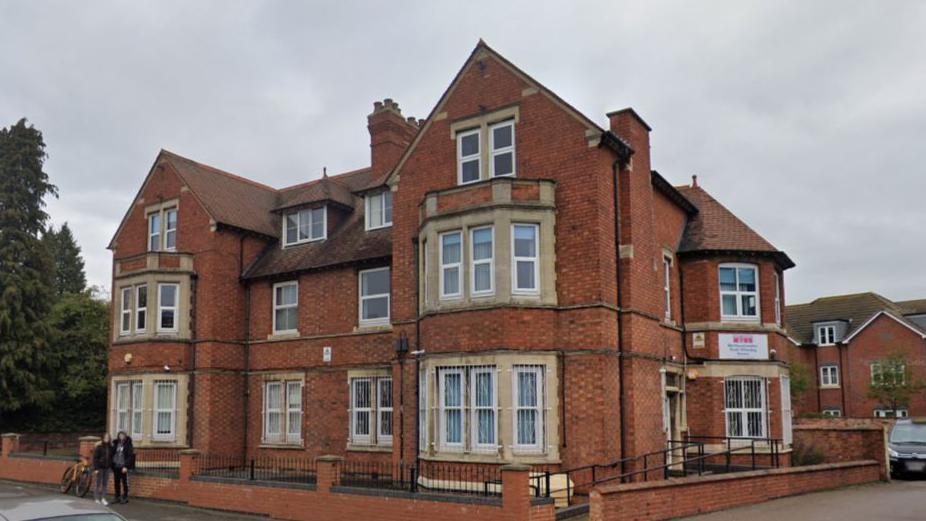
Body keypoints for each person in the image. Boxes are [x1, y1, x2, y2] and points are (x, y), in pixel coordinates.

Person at [111, 431, 135, 504]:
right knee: (116, 482)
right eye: (120, 435)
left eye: (122, 435)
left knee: (124, 482)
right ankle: (117, 496)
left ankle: (125, 497)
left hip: (123, 466)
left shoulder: (128, 444)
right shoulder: (116, 443)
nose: (121, 436)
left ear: (125, 436)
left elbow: (129, 456)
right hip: (116, 465)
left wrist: (126, 466)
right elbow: (112, 452)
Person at [91, 433, 112, 505]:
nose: (107, 438)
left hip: (107, 468)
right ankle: (96, 498)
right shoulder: (99, 447)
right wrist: (96, 468)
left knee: (105, 484)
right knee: (98, 483)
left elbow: (111, 457)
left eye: (108, 437)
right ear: (103, 438)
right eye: (105, 437)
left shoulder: (110, 447)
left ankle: (103, 498)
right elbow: (95, 458)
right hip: (100, 468)